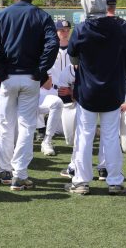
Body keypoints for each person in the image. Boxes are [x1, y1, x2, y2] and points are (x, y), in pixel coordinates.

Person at [0, 0, 59, 191]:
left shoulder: (1, 15)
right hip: (31, 78)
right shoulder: (42, 16)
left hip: (8, 77)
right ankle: (20, 174)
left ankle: (4, 170)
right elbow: (52, 45)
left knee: (7, 125)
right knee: (26, 125)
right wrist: (41, 70)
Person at [65, 0, 126, 196]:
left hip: (87, 91)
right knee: (111, 137)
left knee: (84, 136)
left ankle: (81, 181)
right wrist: (122, 75)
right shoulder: (122, 27)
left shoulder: (81, 29)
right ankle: (114, 181)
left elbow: (73, 57)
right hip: (114, 90)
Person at [36, 20, 70, 156]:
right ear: (56, 32)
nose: (65, 33)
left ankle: (49, 123)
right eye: (62, 30)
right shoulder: (48, 49)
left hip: (68, 91)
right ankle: (40, 129)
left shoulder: (74, 49)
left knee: (64, 131)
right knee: (36, 93)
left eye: (67, 30)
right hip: (50, 89)